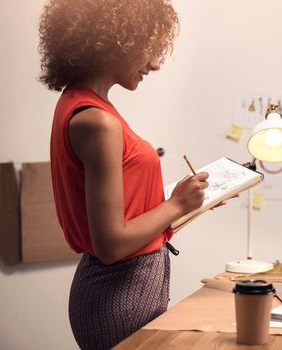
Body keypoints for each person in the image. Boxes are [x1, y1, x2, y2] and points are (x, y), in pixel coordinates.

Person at [38, 1, 210, 348]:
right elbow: (112, 244)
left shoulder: (83, 105)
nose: (156, 63)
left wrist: (184, 202)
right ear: (116, 41)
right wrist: (176, 205)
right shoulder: (97, 121)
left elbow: (122, 218)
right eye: (151, 48)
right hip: (116, 293)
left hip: (122, 288)